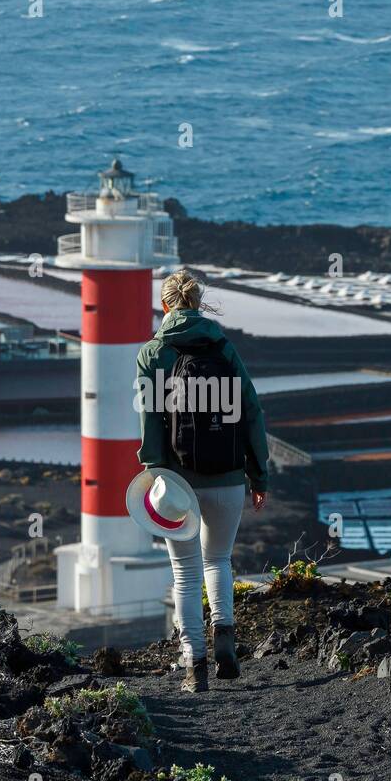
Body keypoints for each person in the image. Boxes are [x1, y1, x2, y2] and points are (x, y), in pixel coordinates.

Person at [135, 269, 269, 693]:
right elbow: (251, 410)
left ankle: (195, 665)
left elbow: (151, 422)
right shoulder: (223, 346)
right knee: (218, 561)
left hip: (177, 483)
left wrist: (154, 472)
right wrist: (257, 472)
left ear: (165, 305)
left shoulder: (152, 353)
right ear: (197, 302)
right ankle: (225, 638)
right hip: (228, 477)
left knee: (186, 573)